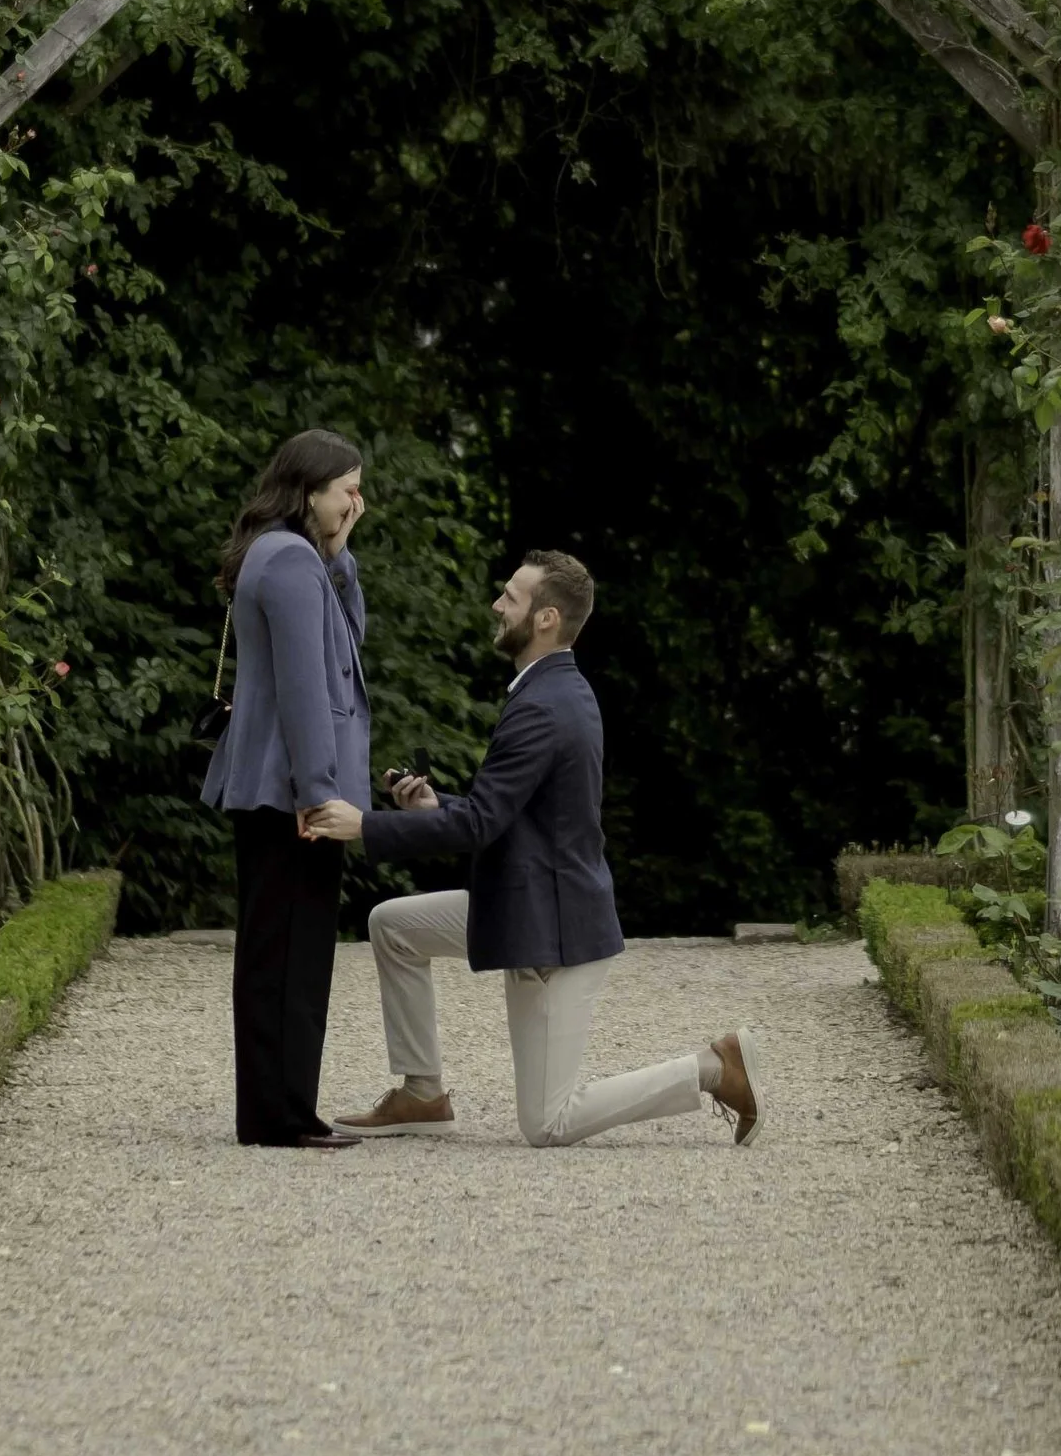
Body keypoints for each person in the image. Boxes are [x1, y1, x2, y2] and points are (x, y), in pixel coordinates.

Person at [305, 549, 761, 1150]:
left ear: (546, 618)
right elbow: (506, 812)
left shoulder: (543, 706)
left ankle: (713, 1068)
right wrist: (435, 806)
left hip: (552, 928)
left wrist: (364, 825)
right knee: (394, 925)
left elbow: (484, 825)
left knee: (548, 1123)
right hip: (526, 898)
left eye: (511, 598)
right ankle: (422, 1094)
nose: (497, 605)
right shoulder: (554, 689)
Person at [201, 428, 371, 1151]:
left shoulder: (288, 555)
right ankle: (282, 1116)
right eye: (348, 491)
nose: (358, 504)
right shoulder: (292, 562)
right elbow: (309, 691)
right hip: (293, 792)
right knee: (292, 957)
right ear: (310, 493)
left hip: (280, 786)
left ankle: (279, 1110)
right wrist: (319, 793)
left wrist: (341, 559)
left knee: (282, 951)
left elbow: (344, 650)